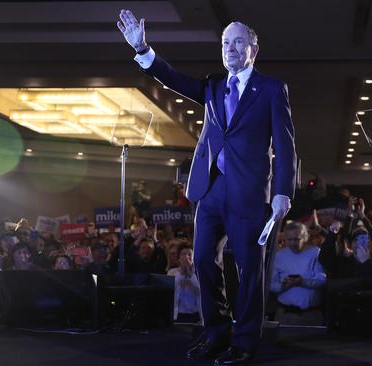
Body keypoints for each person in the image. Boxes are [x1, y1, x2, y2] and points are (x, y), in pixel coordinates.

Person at [117, 10, 296, 365]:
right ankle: (216, 333)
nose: (230, 48)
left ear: (253, 49)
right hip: (212, 189)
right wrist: (143, 49)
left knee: (249, 269)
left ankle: (244, 342)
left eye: (238, 42)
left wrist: (283, 192)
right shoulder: (214, 85)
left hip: (249, 192)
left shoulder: (272, 89)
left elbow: (286, 144)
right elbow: (174, 79)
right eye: (225, 43)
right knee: (201, 259)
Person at [269, 222, 326, 320]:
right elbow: (272, 285)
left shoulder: (315, 253)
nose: (292, 243)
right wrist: (284, 285)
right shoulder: (279, 257)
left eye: (296, 239)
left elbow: (322, 280)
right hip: (285, 314)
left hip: (312, 314)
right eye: (289, 240)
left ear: (305, 238)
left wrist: (302, 282)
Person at [168, 245, 202, 323]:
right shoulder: (172, 272)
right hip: (178, 314)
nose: (186, 257)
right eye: (183, 254)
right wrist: (182, 272)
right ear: (179, 257)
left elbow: (199, 289)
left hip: (195, 314)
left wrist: (191, 272)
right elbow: (173, 287)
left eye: (189, 254)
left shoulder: (198, 273)